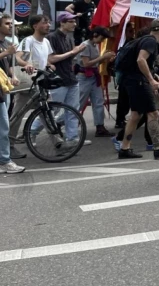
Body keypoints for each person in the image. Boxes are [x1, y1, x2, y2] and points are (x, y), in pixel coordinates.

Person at [116, 20, 159, 160]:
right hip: (138, 82)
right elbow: (140, 60)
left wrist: (153, 75)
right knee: (154, 113)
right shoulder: (150, 41)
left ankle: (124, 148)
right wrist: (150, 80)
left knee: (136, 115)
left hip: (132, 80)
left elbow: (151, 63)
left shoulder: (147, 41)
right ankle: (157, 148)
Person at [47, 11, 91, 152]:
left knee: (73, 111)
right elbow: (51, 59)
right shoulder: (52, 37)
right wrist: (73, 52)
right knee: (50, 111)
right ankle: (32, 133)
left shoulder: (69, 37)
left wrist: (75, 52)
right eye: (71, 21)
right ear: (62, 23)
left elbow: (68, 58)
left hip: (71, 78)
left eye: (74, 21)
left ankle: (72, 138)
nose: (74, 24)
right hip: (57, 80)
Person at [12, 15, 52, 148]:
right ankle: (9, 145)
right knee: (17, 116)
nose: (48, 25)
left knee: (46, 112)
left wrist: (49, 65)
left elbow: (45, 59)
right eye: (45, 22)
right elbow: (18, 58)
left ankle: (57, 142)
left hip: (40, 84)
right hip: (27, 84)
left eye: (48, 22)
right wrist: (26, 64)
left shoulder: (46, 42)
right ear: (35, 26)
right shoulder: (28, 41)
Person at [77, 27, 116, 138]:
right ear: (95, 35)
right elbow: (86, 64)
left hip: (93, 76)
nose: (102, 41)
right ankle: (61, 124)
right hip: (84, 77)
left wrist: (106, 59)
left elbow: (95, 63)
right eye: (101, 38)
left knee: (98, 102)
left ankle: (100, 126)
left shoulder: (94, 45)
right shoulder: (86, 45)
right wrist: (103, 57)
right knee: (79, 102)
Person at [0, 14, 24, 173]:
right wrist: (5, 52)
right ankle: (5, 160)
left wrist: (13, 75)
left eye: (12, 24)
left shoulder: (5, 43)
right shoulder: (6, 46)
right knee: (3, 127)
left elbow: (6, 63)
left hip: (3, 88)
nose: (11, 26)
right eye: (8, 23)